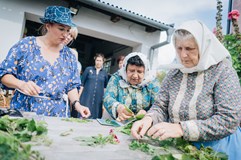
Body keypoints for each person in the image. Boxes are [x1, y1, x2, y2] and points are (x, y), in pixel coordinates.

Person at [131, 20, 241, 159]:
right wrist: (148, 119)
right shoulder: (174, 73)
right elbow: (161, 106)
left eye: (189, 49)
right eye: (179, 48)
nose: (183, 55)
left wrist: (181, 128)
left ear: (203, 47)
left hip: (218, 150)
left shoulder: (222, 71)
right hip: (181, 147)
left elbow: (229, 120)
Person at [0, 6, 90, 118]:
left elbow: (72, 86)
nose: (65, 34)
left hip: (57, 115)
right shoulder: (26, 45)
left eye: (68, 30)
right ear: (48, 26)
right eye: (61, 29)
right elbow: (4, 74)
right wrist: (21, 84)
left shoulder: (69, 56)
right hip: (24, 111)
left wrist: (77, 104)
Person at [103, 52, 160, 121]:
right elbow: (107, 97)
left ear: (145, 72)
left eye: (139, 71)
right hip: (116, 121)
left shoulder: (151, 82)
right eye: (131, 71)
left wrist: (147, 113)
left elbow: (158, 105)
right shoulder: (117, 78)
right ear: (125, 70)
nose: (135, 76)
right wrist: (118, 107)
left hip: (141, 124)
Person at [78, 53, 109, 119]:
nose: (98, 62)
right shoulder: (88, 69)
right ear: (95, 60)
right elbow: (82, 84)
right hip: (86, 96)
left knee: (96, 115)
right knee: (83, 114)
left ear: (103, 62)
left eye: (100, 61)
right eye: (97, 60)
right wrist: (78, 97)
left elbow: (105, 88)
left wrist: (104, 101)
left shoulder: (105, 73)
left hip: (98, 98)